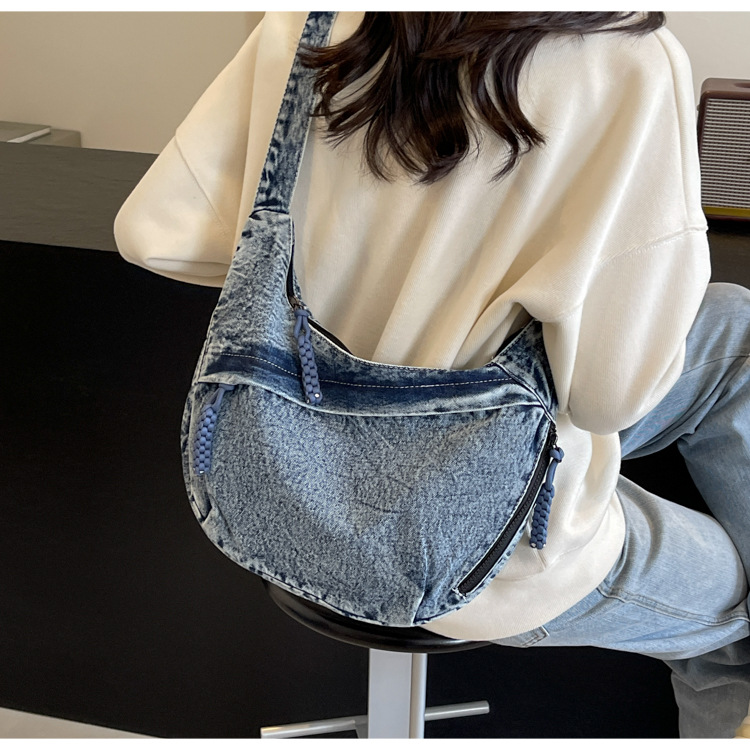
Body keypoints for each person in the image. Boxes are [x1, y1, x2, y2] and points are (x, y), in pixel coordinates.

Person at [114, 12, 750, 738]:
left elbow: (149, 233)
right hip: (482, 556)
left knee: (733, 323)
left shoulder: (316, 17)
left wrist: (335, 278)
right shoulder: (625, 59)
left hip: (277, 495)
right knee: (738, 616)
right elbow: (610, 397)